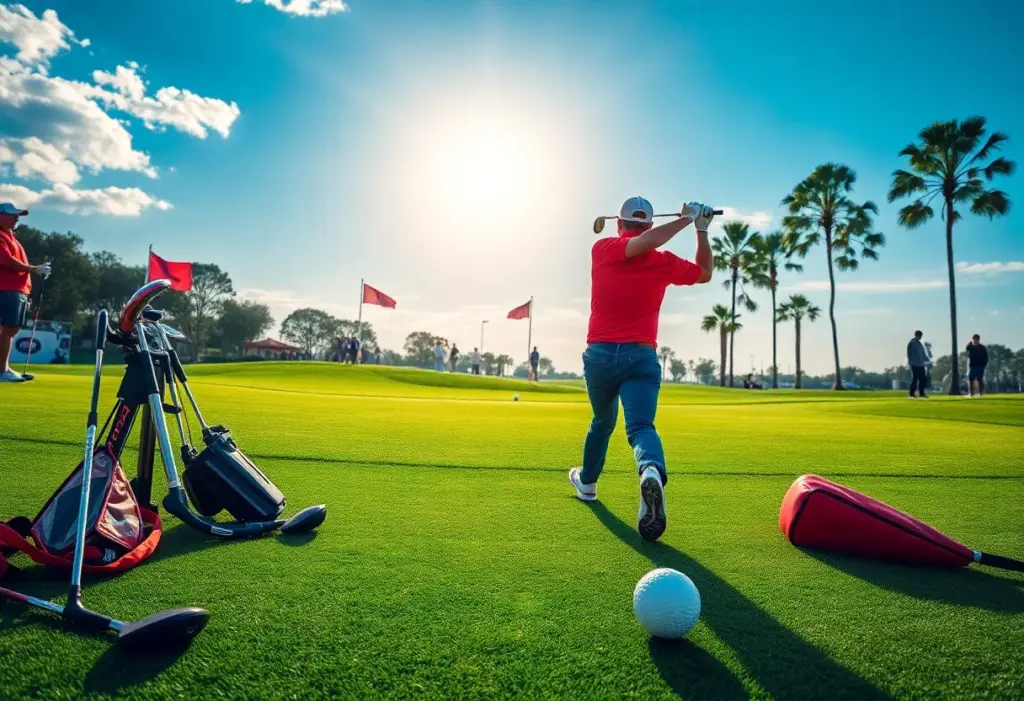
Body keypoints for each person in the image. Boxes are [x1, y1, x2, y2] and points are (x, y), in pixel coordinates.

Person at [568, 198, 714, 541]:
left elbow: (698, 273)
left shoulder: (603, 247)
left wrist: (694, 223)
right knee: (640, 428)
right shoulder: (656, 258)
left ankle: (587, 483)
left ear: (619, 224)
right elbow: (704, 272)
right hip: (641, 358)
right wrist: (697, 228)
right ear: (648, 226)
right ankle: (649, 469)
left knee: (602, 423)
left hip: (601, 356)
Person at [0, 203, 51, 383]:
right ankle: (2, 370)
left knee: (11, 329)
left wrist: (26, 292)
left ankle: (3, 367)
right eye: (13, 215)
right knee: (7, 329)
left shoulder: (12, 237)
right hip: (5, 288)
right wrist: (34, 269)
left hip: (17, 290)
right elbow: (8, 261)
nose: (17, 218)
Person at [907, 330, 929, 398]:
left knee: (922, 379)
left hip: (920, 364)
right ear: (917, 335)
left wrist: (926, 359)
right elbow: (909, 353)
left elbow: (923, 354)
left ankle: (921, 393)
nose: (920, 337)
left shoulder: (919, 343)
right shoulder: (912, 343)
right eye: (920, 335)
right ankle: (911, 394)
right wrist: (911, 362)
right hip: (915, 364)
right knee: (915, 378)